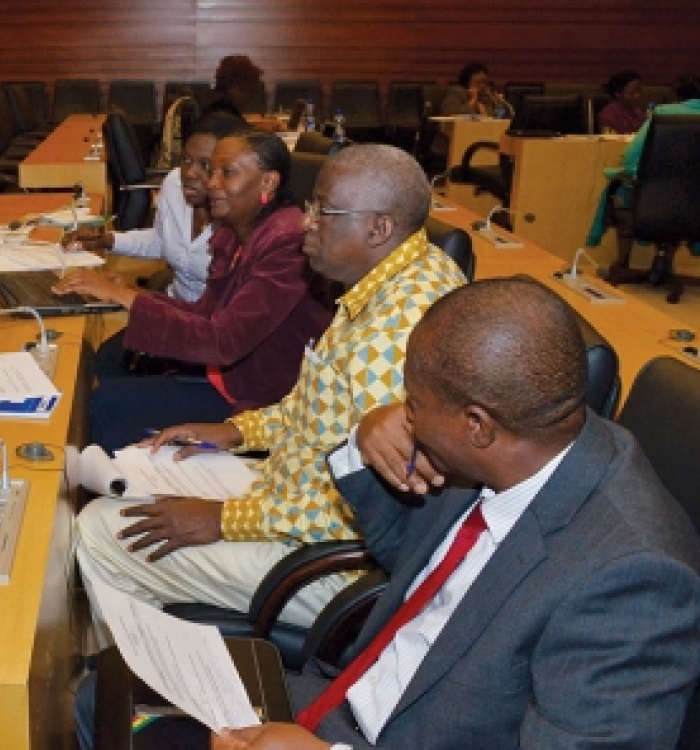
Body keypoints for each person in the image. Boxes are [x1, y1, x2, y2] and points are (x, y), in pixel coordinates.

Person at [210, 277, 700, 750]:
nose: (406, 415)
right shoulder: (520, 441)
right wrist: (367, 438)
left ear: (476, 425)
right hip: (338, 701)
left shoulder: (633, 582)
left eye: (415, 404)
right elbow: (415, 560)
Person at [74, 145, 468, 638]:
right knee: (146, 468)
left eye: (323, 210)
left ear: (378, 228)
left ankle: (158, 685)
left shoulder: (394, 335)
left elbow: (379, 518)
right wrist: (236, 430)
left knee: (98, 531)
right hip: (290, 494)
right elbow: (321, 408)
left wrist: (224, 520)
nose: (306, 223)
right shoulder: (396, 278)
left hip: (331, 564)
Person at [54, 128, 331, 452]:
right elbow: (206, 313)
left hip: (260, 397)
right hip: (228, 377)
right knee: (106, 396)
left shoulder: (285, 240)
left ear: (268, 183)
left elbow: (224, 341)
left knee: (109, 416)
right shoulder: (238, 232)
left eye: (227, 173)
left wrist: (127, 298)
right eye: (213, 171)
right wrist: (135, 295)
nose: (212, 182)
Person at [63, 111, 247, 304]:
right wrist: (105, 240)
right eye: (186, 160)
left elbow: (214, 321)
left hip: (203, 323)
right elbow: (162, 240)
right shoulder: (175, 184)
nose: (190, 173)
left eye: (205, 165)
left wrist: (128, 293)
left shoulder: (241, 221)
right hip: (171, 304)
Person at [588, 73, 700, 280]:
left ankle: (622, 263)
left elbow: (631, 160)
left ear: (676, 97)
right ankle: (666, 262)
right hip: (695, 204)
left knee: (622, 190)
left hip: (657, 201)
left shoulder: (664, 115)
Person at [439, 62, 506, 116]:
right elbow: (449, 113)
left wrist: (496, 101)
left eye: (484, 82)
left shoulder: (486, 96)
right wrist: (472, 102)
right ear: (467, 82)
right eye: (478, 82)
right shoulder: (457, 92)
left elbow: (501, 114)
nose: (482, 86)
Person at [597, 69, 647, 134]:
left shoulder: (637, 110)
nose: (637, 96)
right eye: (632, 93)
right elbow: (609, 137)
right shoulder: (608, 114)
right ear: (618, 94)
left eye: (639, 92)